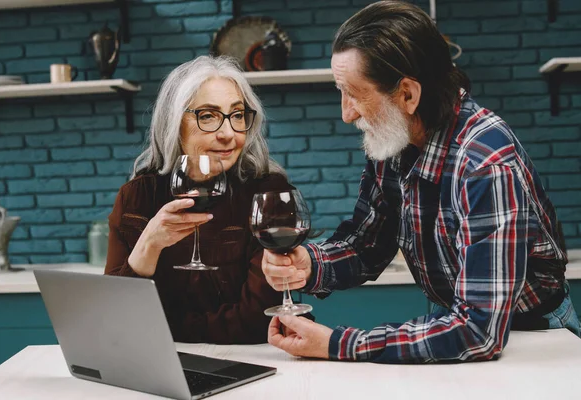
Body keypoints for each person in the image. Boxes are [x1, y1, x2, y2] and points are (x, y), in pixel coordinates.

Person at [262, 0, 580, 363]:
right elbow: (367, 244)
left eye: (354, 93)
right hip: (451, 324)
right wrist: (310, 264)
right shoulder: (393, 140)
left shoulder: (485, 164)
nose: (346, 113)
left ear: (408, 95)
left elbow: (479, 331)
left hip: (532, 337)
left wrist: (337, 344)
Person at [105, 55, 293, 344]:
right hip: (162, 366)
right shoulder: (137, 198)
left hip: (258, 361)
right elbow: (113, 319)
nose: (229, 134)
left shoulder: (268, 193)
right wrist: (149, 244)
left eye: (238, 115)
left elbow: (258, 319)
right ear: (174, 122)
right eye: (208, 116)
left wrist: (163, 328)